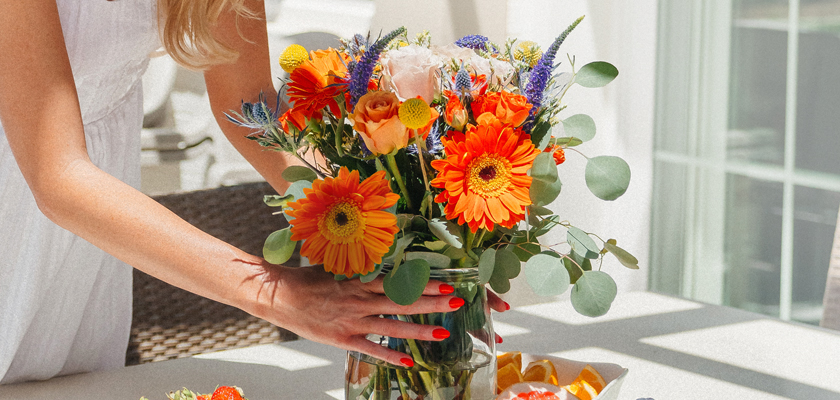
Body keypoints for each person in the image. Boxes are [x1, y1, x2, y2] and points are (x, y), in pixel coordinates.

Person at [0, 0, 506, 384]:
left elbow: (249, 104)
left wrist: (402, 238)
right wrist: (272, 291)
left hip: (83, 231)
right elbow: (57, 175)